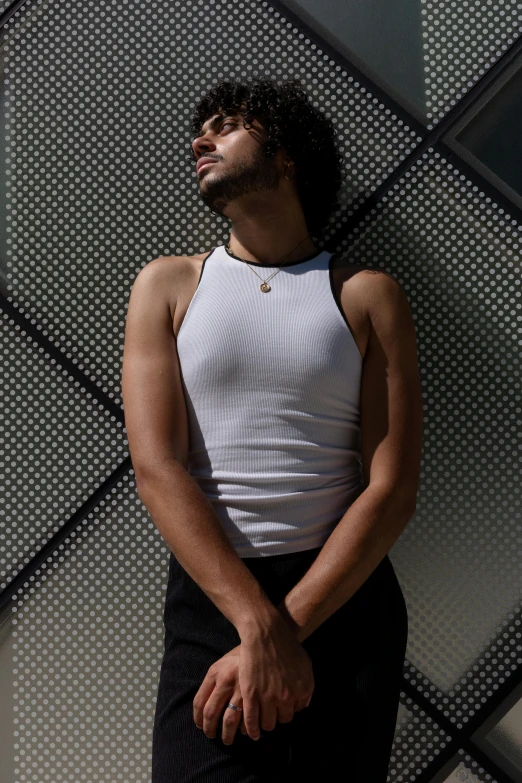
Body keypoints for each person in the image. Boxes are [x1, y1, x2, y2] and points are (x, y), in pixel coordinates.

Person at [121, 76, 423, 782]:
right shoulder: (168, 285)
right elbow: (156, 467)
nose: (201, 140)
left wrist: (284, 628)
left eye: (227, 124)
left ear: (286, 154)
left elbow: (392, 485)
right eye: (202, 129)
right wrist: (255, 625)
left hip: (344, 602)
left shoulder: (366, 294)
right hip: (214, 600)